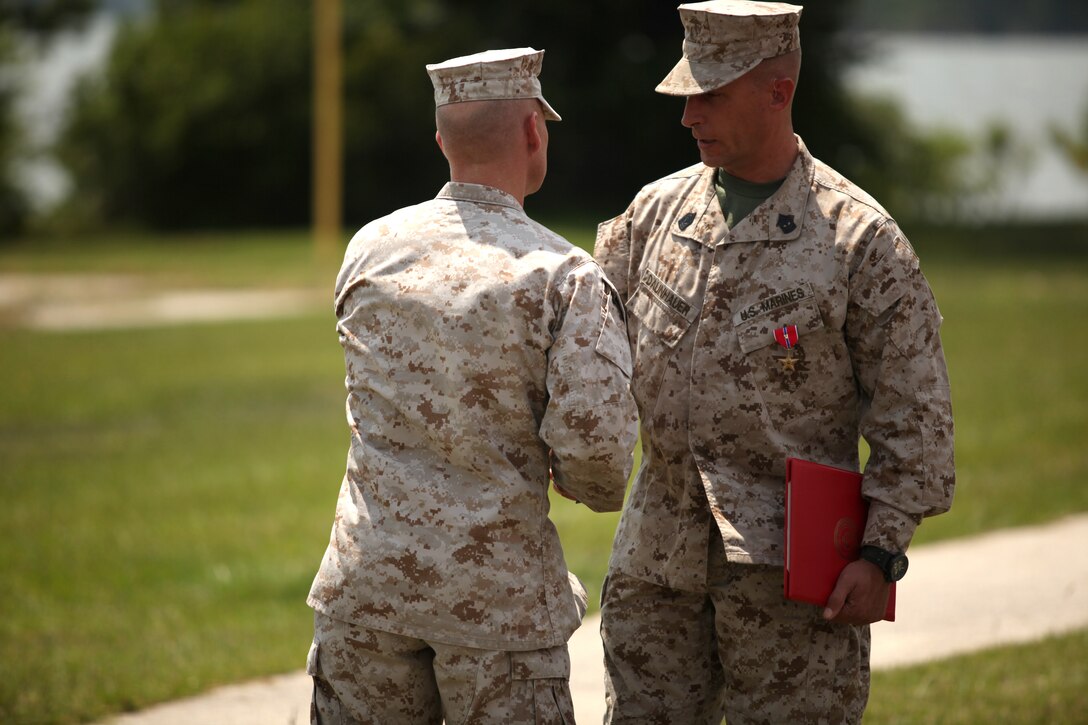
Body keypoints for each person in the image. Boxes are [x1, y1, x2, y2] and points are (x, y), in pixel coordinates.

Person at [594, 2, 955, 723]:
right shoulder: (654, 213)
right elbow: (586, 354)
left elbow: (915, 415)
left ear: (777, 91)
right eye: (686, 95)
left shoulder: (859, 239)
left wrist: (880, 554)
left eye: (711, 96)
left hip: (793, 583)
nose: (689, 115)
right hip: (657, 564)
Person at [305, 47, 639, 724]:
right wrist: (569, 477)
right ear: (532, 132)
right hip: (499, 611)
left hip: (366, 592)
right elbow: (601, 463)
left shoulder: (369, 247)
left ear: (441, 141)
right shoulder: (563, 274)